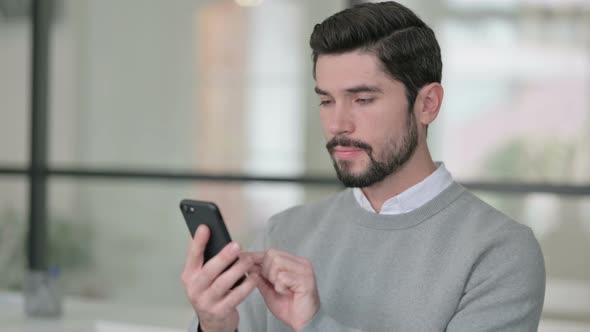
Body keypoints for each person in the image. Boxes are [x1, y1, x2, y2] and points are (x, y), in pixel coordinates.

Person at [182, 2, 546, 331]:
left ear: (428, 104)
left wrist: (313, 324)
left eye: (363, 99)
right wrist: (215, 326)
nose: (338, 123)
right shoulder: (284, 232)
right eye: (326, 101)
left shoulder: (499, 252)